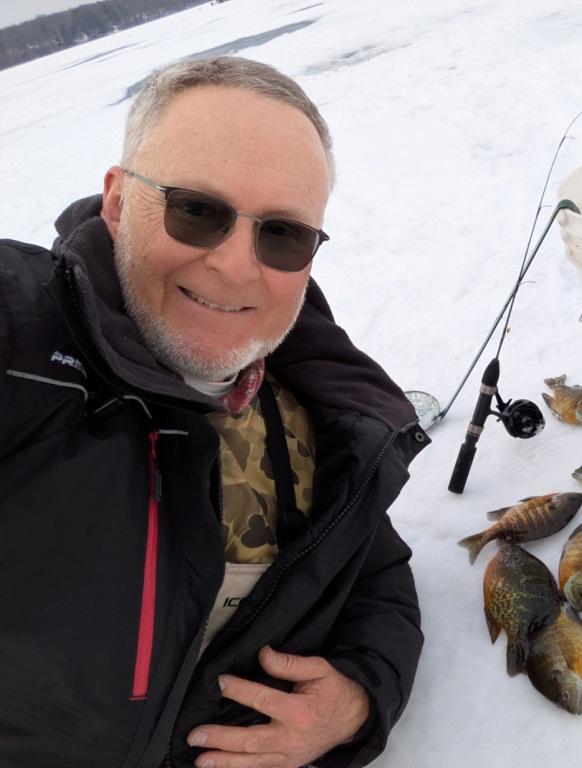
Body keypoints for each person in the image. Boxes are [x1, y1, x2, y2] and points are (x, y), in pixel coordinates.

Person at [0, 56, 429, 768]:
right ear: (115, 202)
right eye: (197, 210)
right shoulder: (25, 344)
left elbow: (374, 575)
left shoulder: (308, 413)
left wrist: (359, 695)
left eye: (283, 234)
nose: (236, 266)